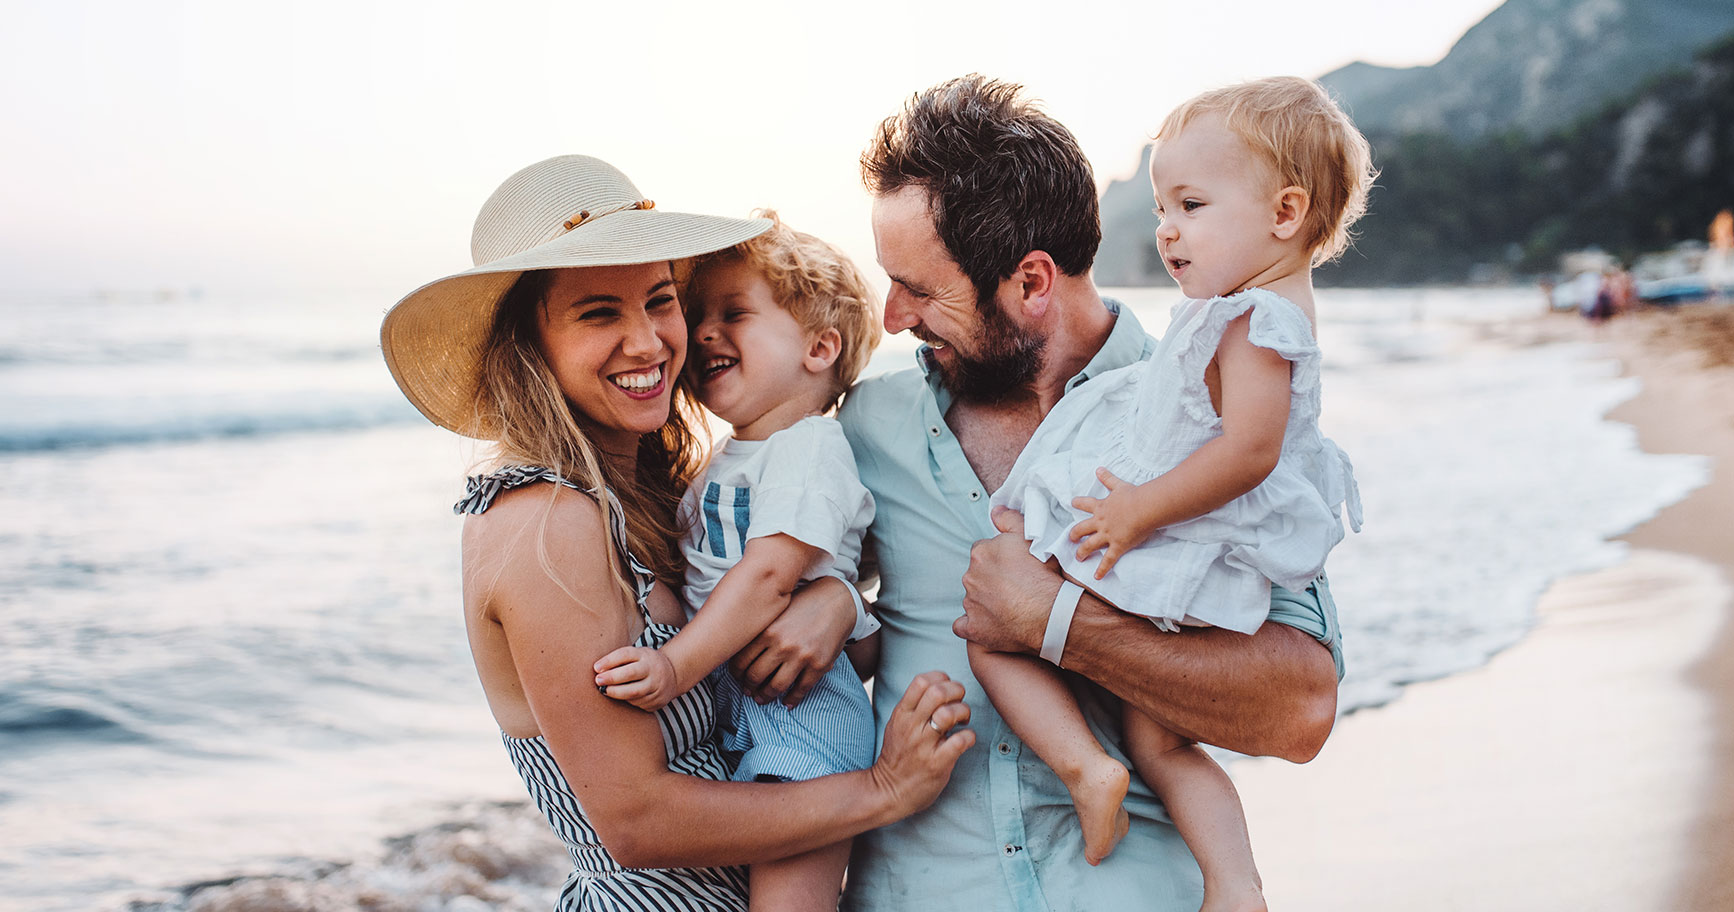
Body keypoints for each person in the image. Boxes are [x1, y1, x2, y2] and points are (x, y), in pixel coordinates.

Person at [379, 155, 974, 911]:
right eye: (599, 314)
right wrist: (884, 790)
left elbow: (774, 651)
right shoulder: (543, 523)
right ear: (530, 345)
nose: (649, 342)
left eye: (660, 301)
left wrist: (832, 601)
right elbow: (636, 822)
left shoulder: (663, 495)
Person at [828, 76, 1345, 912]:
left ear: (1032, 282)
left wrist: (1057, 622)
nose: (892, 318)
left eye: (920, 289)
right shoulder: (863, 429)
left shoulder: (1204, 416)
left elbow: (1300, 710)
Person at [981, 76, 1369, 912]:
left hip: (1185, 538)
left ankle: (1087, 768)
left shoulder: (1259, 320)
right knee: (1162, 738)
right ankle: (1235, 887)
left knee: (995, 613)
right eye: (1162, 208)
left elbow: (1250, 452)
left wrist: (1137, 511)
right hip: (1199, 542)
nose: (1166, 230)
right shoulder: (1251, 306)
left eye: (1191, 205)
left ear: (1285, 213)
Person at [589, 213, 885, 912]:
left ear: (819, 348)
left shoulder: (808, 449)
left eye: (735, 314)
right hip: (747, 710)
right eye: (699, 316)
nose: (705, 333)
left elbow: (769, 577)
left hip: (802, 717)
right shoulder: (731, 460)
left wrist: (673, 666)